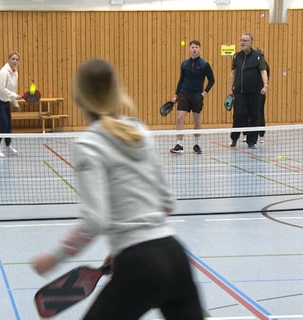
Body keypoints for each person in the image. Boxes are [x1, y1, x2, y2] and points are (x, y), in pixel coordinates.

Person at [31, 59, 204, 320]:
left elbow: (94, 221)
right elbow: (167, 203)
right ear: (117, 92)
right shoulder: (139, 130)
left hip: (139, 267)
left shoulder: (88, 144)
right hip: (176, 258)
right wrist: (124, 245)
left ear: (80, 99)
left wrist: (53, 258)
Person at [170, 40, 215, 154]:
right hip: (184, 94)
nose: (194, 49)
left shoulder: (204, 64)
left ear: (199, 49)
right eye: (192, 47)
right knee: (180, 118)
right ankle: (179, 145)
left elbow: (212, 80)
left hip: (197, 96)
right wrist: (176, 94)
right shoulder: (184, 64)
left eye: (196, 47)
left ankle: (196, 144)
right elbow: (181, 80)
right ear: (189, 49)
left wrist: (204, 92)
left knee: (197, 121)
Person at [227, 33, 269, 149]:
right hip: (240, 92)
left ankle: (252, 141)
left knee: (255, 116)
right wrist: (230, 88)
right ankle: (234, 138)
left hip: (255, 93)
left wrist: (265, 85)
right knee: (239, 115)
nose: (242, 42)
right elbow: (233, 73)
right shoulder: (236, 56)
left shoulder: (258, 56)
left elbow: (263, 71)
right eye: (241, 40)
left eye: (245, 40)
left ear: (251, 43)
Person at [0, 51, 22, 157]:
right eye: (12, 59)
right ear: (8, 60)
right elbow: (1, 89)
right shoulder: (4, 72)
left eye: (16, 59)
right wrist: (14, 95)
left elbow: (12, 89)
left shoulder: (15, 73)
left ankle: (8, 146)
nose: (14, 61)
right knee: (3, 123)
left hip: (5, 101)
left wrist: (15, 103)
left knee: (8, 124)